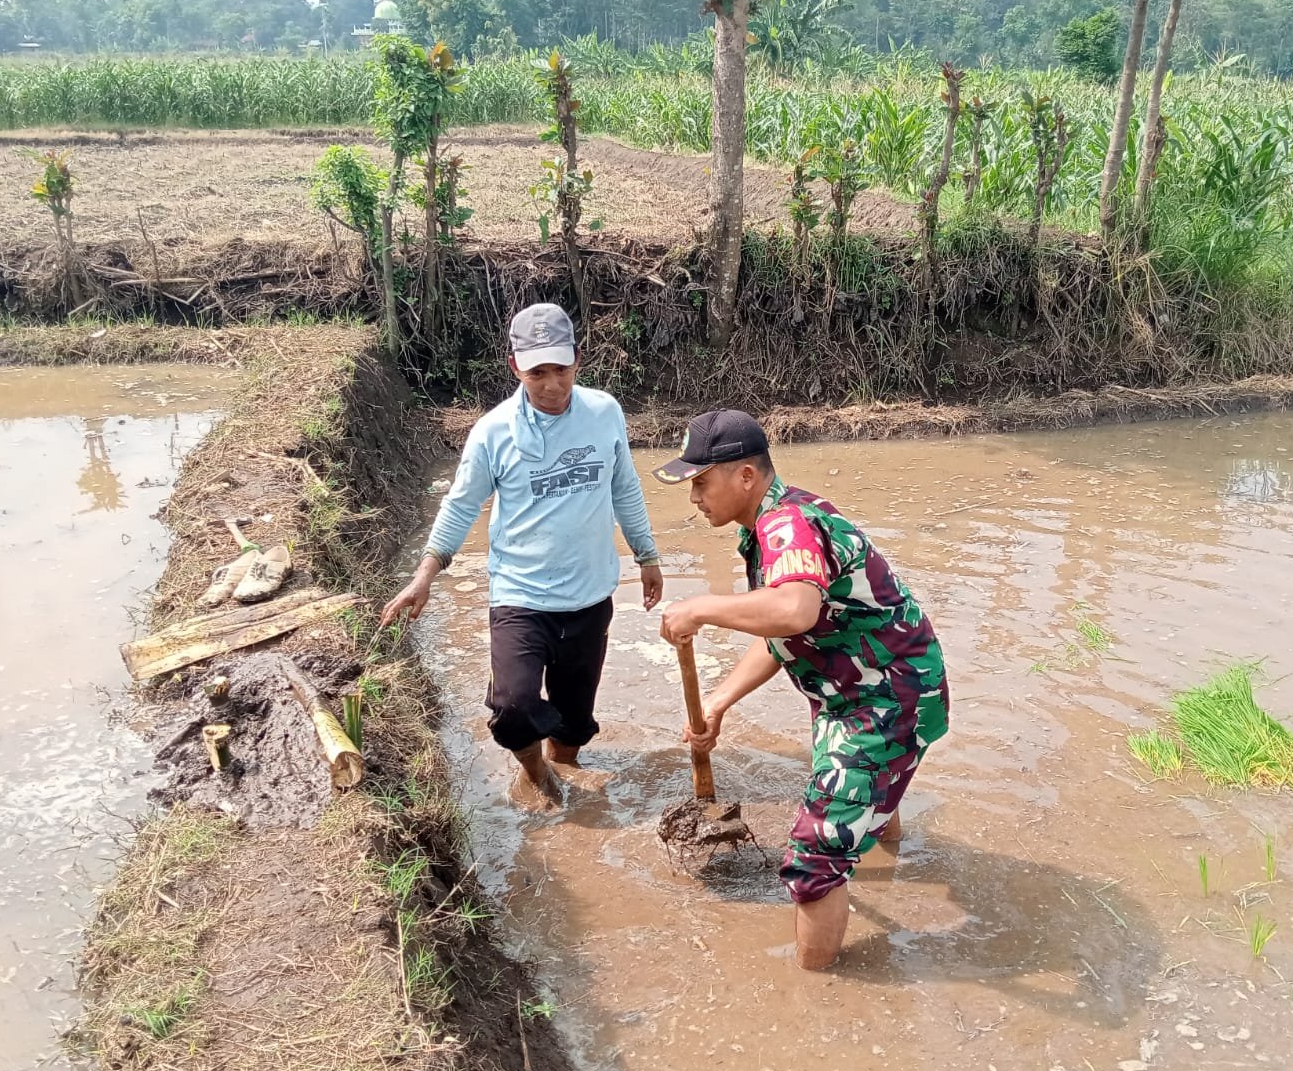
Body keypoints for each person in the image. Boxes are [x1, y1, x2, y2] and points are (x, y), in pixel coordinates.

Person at [653, 410, 948, 970]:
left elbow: (793, 608)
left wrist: (702, 608)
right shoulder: (770, 524)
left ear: (744, 476)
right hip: (867, 690)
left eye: (700, 480)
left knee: (814, 857)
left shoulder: (785, 525)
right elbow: (781, 633)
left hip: (883, 699)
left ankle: (819, 996)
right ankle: (883, 855)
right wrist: (718, 701)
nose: (693, 496)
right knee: (867, 801)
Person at [381, 303, 664, 806]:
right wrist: (426, 572)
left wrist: (647, 555)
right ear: (515, 367)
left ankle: (565, 767)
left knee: (576, 719)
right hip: (520, 595)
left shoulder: (604, 413)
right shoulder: (493, 432)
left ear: (578, 359)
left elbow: (625, 487)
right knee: (512, 707)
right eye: (538, 372)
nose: (552, 384)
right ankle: (535, 773)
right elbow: (461, 502)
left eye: (561, 369)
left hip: (589, 593)